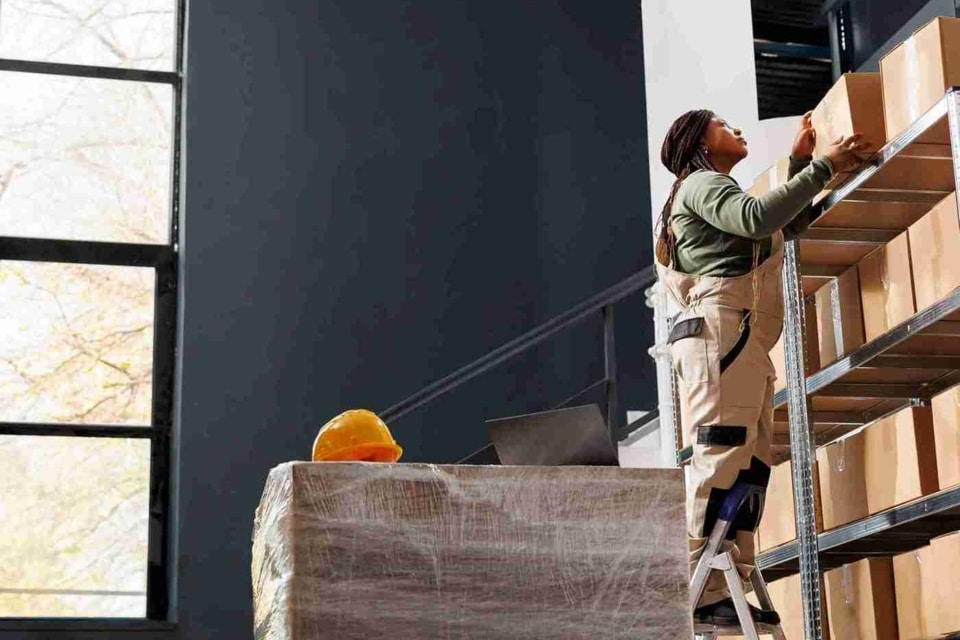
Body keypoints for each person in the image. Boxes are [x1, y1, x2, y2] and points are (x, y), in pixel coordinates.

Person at [655, 109, 868, 626]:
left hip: (741, 338)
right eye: (725, 126)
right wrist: (821, 169)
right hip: (721, 335)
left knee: (750, 466)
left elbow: (781, 225)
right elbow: (756, 218)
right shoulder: (701, 184)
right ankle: (694, 588)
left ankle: (723, 579)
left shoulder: (719, 194)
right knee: (719, 455)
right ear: (699, 143)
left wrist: (802, 165)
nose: (739, 131)